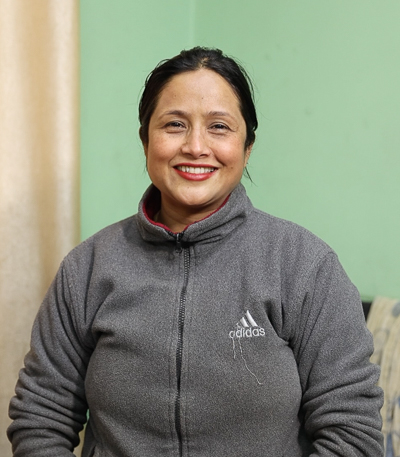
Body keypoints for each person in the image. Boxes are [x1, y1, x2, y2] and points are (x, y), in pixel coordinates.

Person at [8, 47, 383, 457]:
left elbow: (352, 435)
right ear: (145, 139)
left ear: (247, 147)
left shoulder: (304, 266)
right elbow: (40, 419)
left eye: (219, 127)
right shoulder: (87, 268)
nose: (196, 146)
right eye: (174, 124)